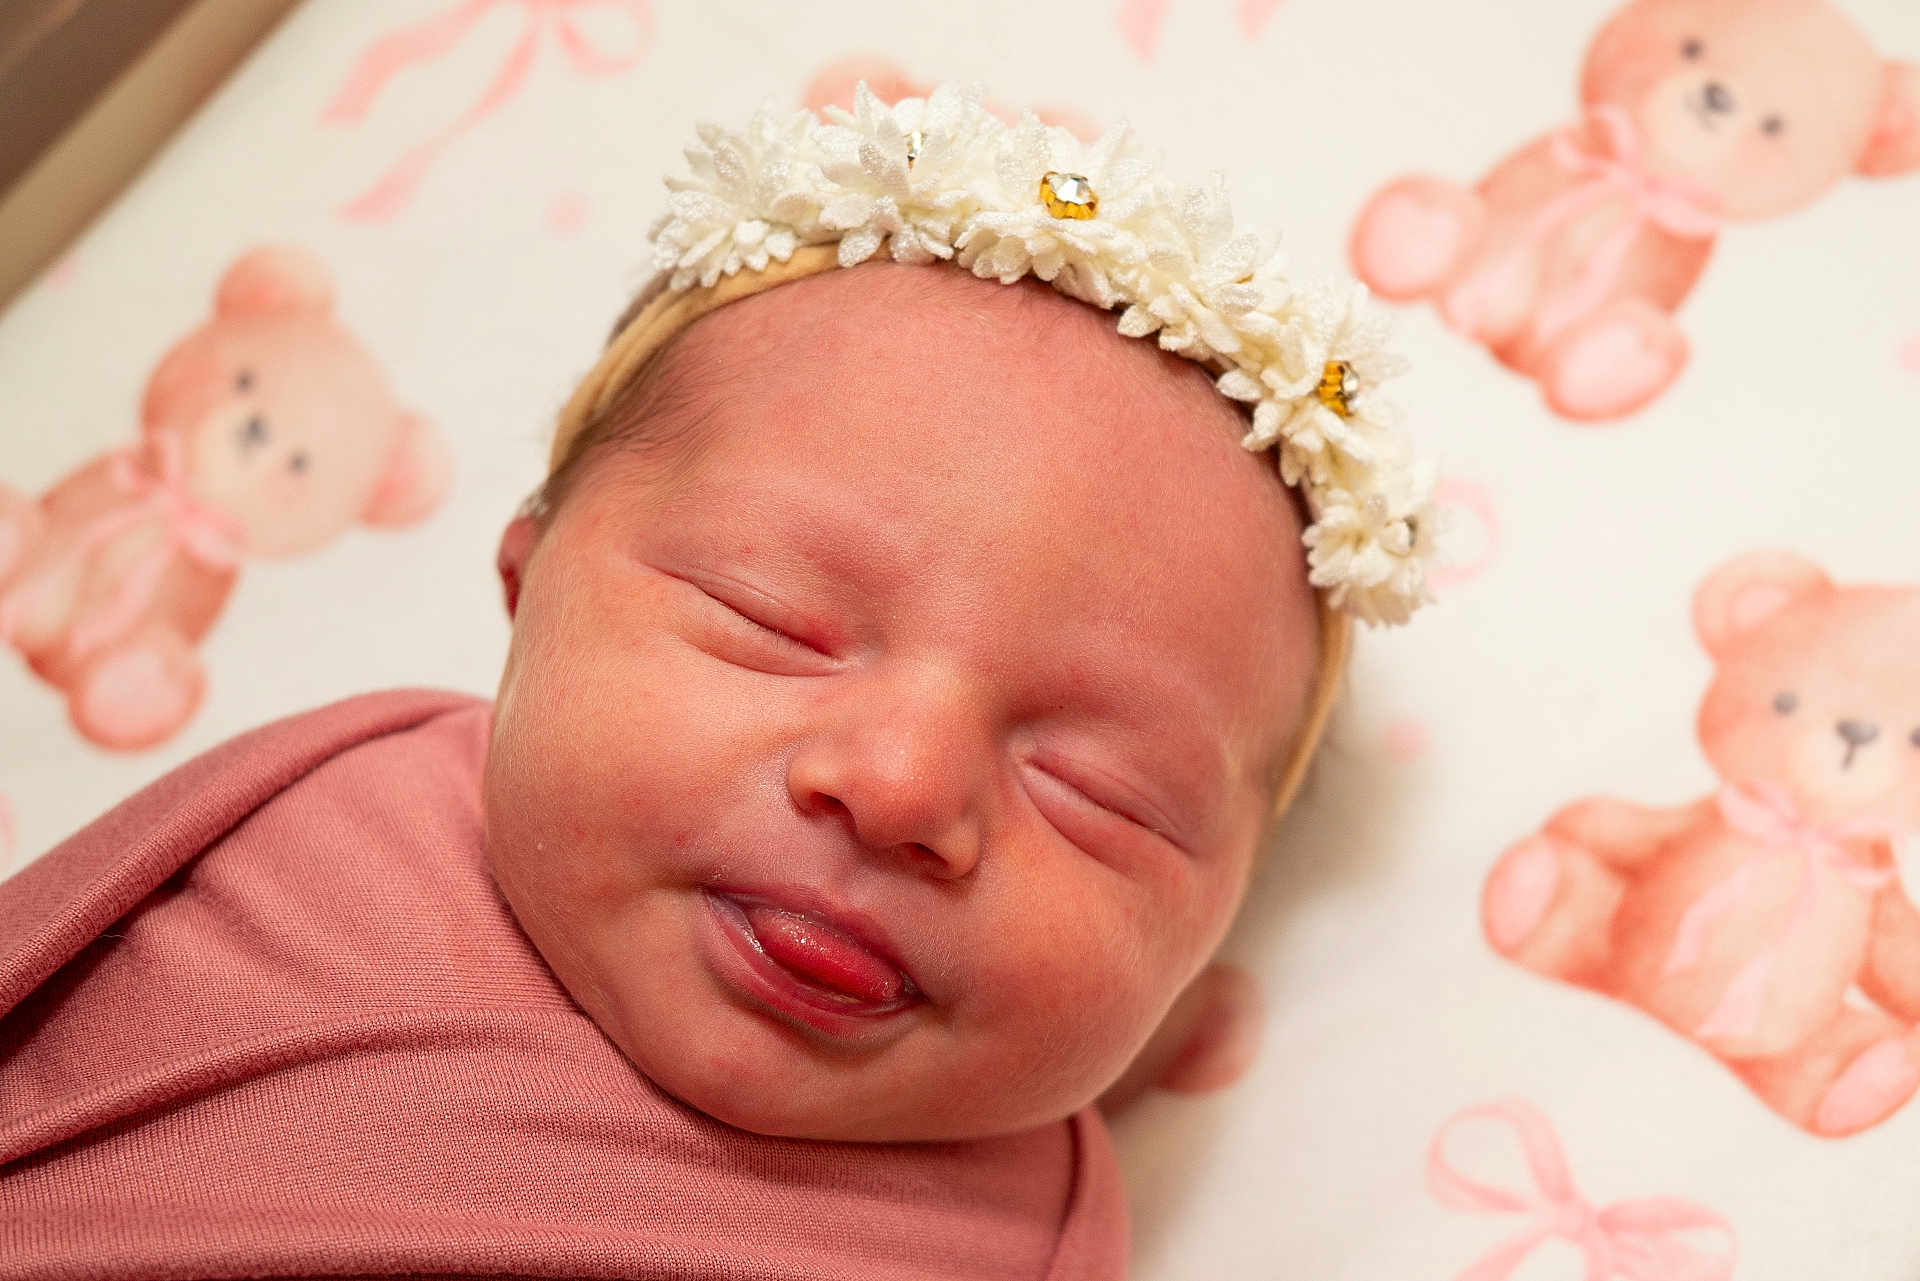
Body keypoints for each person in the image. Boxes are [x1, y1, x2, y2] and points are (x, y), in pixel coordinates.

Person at [0, 84, 1434, 1279]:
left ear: (1212, 923)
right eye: (774, 620)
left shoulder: (1040, 1231)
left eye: (1096, 789)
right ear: (525, 581)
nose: (901, 787)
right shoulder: (331, 810)